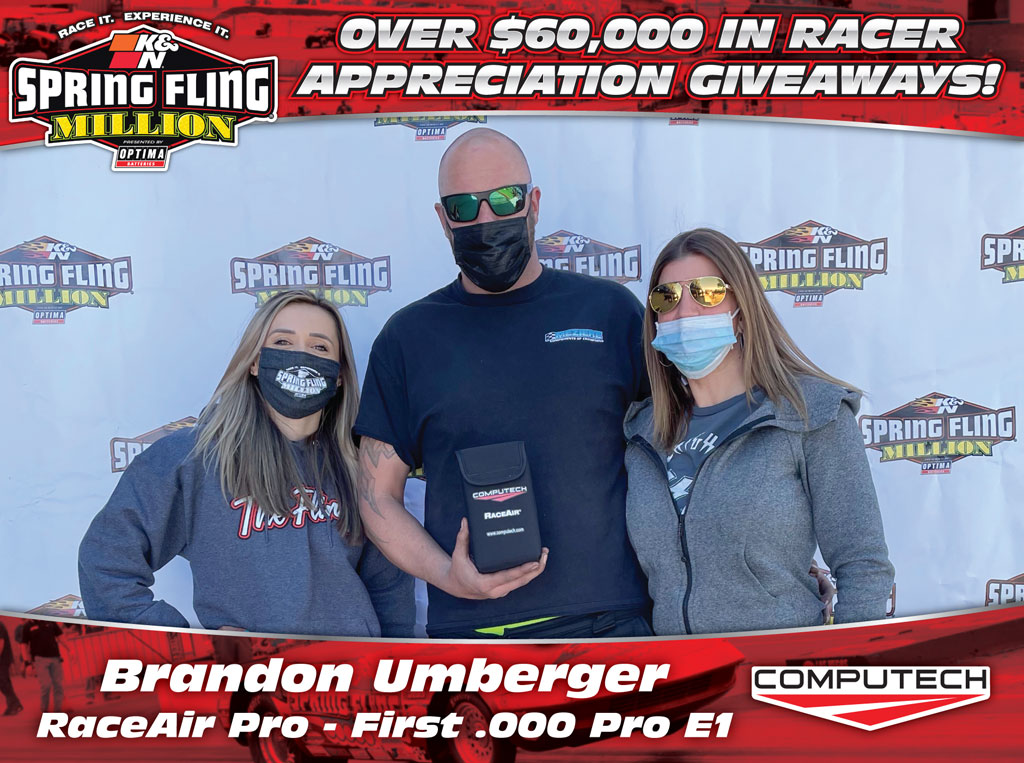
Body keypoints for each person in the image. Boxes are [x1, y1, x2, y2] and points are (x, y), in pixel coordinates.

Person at [355, 128, 652, 638]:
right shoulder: (407, 338)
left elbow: (679, 450)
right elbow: (375, 496)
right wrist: (446, 575)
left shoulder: (611, 312)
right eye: (464, 207)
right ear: (443, 219)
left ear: (533, 204)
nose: (486, 220)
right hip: (473, 640)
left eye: (505, 200)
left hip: (613, 626)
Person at [79, 291, 413, 637]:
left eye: (319, 347)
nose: (301, 357)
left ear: (339, 374)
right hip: (251, 670)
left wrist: (394, 659)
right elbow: (106, 562)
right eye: (282, 342)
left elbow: (390, 591)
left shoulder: (360, 466)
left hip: (349, 667)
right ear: (255, 362)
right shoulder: (192, 458)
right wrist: (187, 647)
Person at [624, 228, 895, 635]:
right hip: (681, 669)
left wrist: (847, 661)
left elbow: (863, 564)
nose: (685, 311)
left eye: (707, 292)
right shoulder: (642, 433)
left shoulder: (810, 413)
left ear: (742, 308)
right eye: (667, 297)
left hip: (778, 663)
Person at [21, 620, 63, 712]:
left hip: (55, 657)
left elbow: (60, 636)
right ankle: (44, 709)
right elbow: (24, 645)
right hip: (39, 659)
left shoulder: (50, 621)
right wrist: (26, 662)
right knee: (46, 685)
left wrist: (70, 650)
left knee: (58, 685)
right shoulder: (28, 626)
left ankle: (58, 710)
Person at [0, 621, 22, 716]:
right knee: (4, 682)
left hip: (3, 658)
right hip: (3, 658)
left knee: (3, 681)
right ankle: (13, 705)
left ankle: (15, 704)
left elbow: (1, 642)